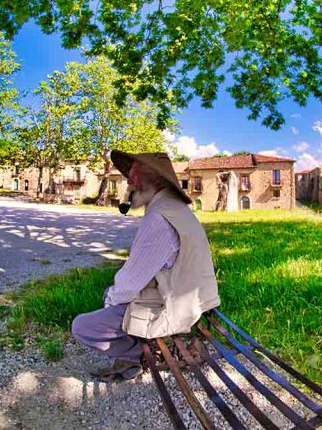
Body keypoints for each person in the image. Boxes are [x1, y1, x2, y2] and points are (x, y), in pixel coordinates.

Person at [71, 150, 220, 382]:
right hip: (196, 299)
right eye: (129, 175)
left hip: (179, 306)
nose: (130, 181)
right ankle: (139, 347)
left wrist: (111, 299)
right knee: (113, 296)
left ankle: (141, 355)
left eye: (136, 174)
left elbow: (130, 282)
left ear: (158, 179)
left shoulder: (159, 218)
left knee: (83, 326)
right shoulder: (175, 209)